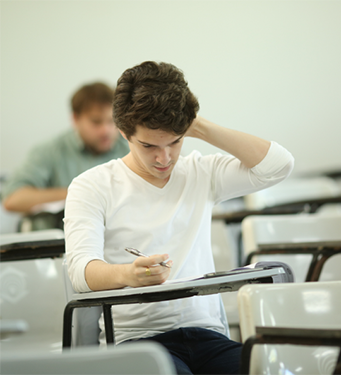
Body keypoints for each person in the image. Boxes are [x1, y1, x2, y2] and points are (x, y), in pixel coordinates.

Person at [64, 61, 294, 375]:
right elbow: (80, 270)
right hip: (138, 340)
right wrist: (127, 275)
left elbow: (278, 165)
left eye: (175, 141)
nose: (164, 158)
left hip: (207, 334)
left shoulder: (201, 172)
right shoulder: (92, 186)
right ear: (123, 132)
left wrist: (197, 126)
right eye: (148, 145)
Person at [2, 82, 129, 230]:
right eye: (96, 122)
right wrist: (79, 192)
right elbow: (13, 200)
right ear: (75, 118)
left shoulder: (129, 148)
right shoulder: (50, 151)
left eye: (111, 121)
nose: (106, 130)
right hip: (59, 246)